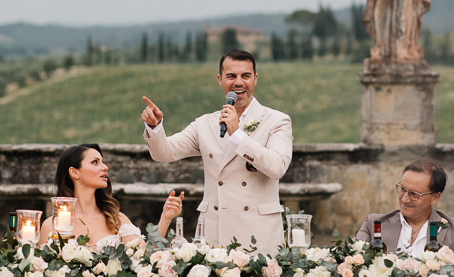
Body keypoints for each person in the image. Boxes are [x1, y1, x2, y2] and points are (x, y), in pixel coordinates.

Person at [141, 49, 293, 253]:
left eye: (245, 76)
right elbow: (165, 153)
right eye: (231, 76)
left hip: (259, 238)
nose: (238, 82)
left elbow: (277, 167)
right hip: (214, 236)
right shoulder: (205, 124)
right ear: (220, 80)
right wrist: (155, 127)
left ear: (255, 79)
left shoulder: (276, 121)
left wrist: (237, 134)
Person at [37, 143, 184, 248]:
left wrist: (165, 217)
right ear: (74, 172)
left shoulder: (116, 219)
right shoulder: (51, 225)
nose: (105, 167)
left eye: (103, 162)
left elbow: (146, 256)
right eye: (95, 162)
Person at [355, 159, 454, 257]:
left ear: (435, 198)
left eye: (414, 194)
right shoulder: (374, 225)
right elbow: (353, 263)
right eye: (402, 189)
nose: (404, 199)